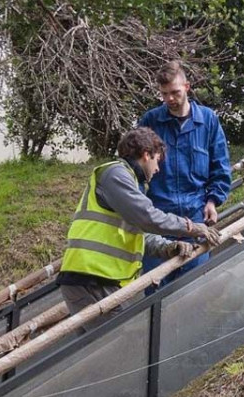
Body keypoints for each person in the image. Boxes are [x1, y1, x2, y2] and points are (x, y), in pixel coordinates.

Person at [58, 127, 221, 329]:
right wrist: (192, 227)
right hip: (92, 279)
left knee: (107, 355)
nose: (158, 169)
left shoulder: (129, 183)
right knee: (124, 346)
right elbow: (148, 218)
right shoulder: (115, 174)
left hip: (100, 280)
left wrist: (168, 247)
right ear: (146, 155)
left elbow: (139, 234)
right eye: (157, 161)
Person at [138, 60, 232, 287]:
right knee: (155, 290)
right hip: (159, 220)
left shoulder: (208, 120)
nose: (170, 98)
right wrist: (139, 208)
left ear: (187, 88)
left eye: (175, 92)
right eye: (164, 94)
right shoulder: (151, 121)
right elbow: (137, 169)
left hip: (195, 220)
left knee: (192, 289)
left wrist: (212, 200)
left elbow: (220, 166)